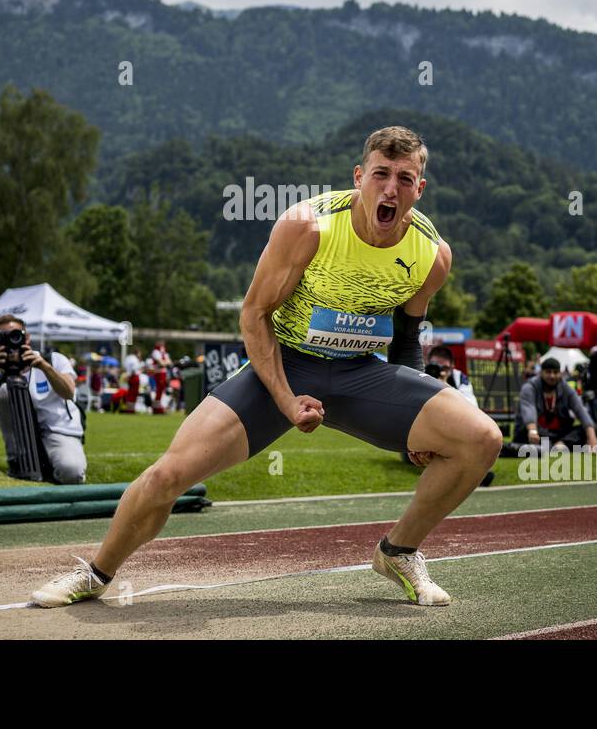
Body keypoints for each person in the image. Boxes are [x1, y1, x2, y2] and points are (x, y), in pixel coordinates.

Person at [29, 125, 501, 608]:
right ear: (359, 177)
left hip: (361, 374)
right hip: (285, 364)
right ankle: (97, 572)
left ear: (419, 189)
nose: (390, 189)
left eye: (405, 179)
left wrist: (415, 425)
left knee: (481, 440)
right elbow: (254, 315)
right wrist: (284, 399)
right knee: (169, 476)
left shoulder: (432, 255)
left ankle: (398, 551)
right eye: (380, 174)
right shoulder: (308, 225)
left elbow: (406, 337)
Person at [0, 314, 86, 484]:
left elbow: (69, 392)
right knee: (4, 392)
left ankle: (49, 461)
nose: (10, 341)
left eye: (15, 334)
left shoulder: (53, 359)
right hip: (20, 436)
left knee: (71, 472)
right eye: (2, 337)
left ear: (27, 337)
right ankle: (16, 458)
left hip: (58, 429)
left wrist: (44, 367)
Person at [516, 357, 597, 454]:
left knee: (592, 429)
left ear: (560, 373)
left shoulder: (566, 388)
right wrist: (533, 431)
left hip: (558, 433)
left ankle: (560, 445)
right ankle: (557, 447)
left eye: (555, 372)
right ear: (541, 373)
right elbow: (528, 410)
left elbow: (581, 411)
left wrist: (592, 439)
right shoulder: (530, 387)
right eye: (548, 372)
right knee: (524, 430)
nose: (552, 376)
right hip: (536, 431)